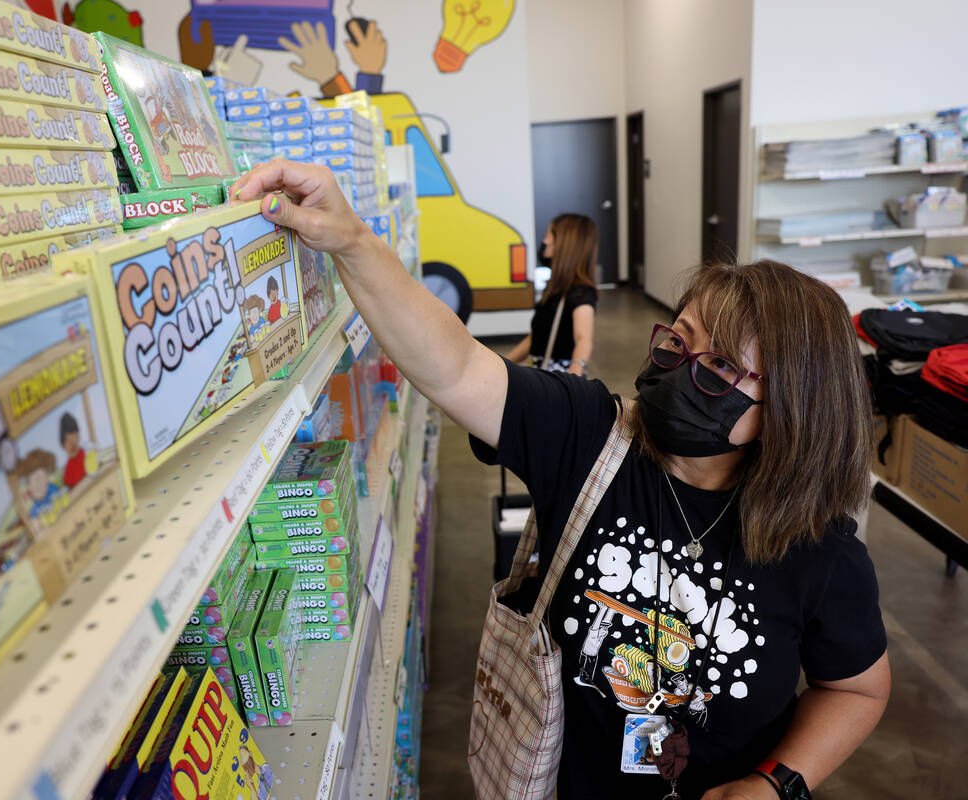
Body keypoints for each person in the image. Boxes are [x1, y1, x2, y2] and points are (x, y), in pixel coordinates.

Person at [230, 162, 891, 800]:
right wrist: (351, 240)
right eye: (676, 343)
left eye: (718, 366)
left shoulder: (820, 552)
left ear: (794, 407)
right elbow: (455, 367)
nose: (681, 370)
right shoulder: (588, 437)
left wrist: (775, 784)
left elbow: (856, 689)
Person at [505, 214, 598, 375]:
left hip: (558, 379)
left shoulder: (580, 292)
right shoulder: (556, 288)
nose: (545, 241)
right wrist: (504, 362)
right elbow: (537, 337)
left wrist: (574, 374)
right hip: (538, 373)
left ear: (564, 245)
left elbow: (584, 339)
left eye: (548, 235)